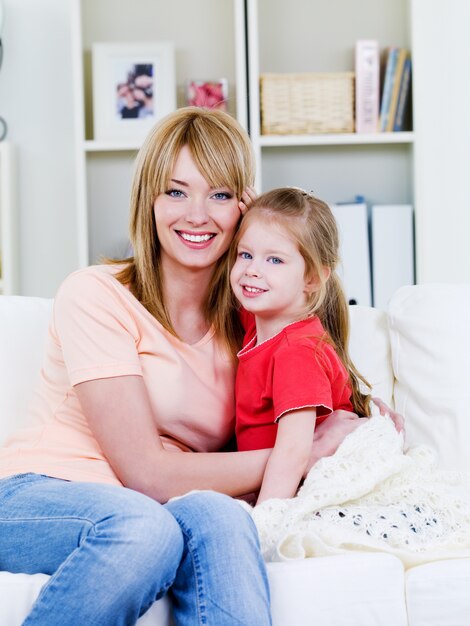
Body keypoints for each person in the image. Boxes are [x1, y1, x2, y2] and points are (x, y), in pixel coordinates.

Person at [0, 107, 398, 625]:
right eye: (176, 191)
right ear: (149, 200)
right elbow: (145, 474)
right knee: (143, 527)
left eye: (220, 195)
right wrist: (302, 455)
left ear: (242, 207)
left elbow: (311, 344)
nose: (197, 214)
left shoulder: (250, 323)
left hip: (170, 506)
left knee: (222, 519)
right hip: (42, 494)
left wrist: (360, 433)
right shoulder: (96, 294)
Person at [230, 187, 376, 504]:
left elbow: (293, 454)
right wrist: (260, 219)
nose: (252, 269)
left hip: (303, 493)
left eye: (274, 259)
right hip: (279, 486)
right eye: (245, 254)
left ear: (311, 279)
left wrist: (264, 524)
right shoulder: (262, 322)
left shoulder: (297, 352)